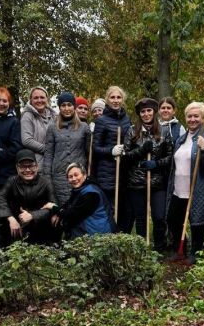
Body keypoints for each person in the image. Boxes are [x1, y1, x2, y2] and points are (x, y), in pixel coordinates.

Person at [166, 102, 204, 263]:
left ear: (203, 118)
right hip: (178, 189)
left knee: (197, 222)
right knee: (173, 219)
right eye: (190, 116)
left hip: (197, 188)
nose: (192, 119)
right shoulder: (181, 139)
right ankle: (179, 249)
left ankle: (195, 253)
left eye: (196, 116)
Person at [122, 97, 172, 250]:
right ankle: (142, 248)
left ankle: (159, 247)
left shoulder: (164, 130)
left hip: (157, 182)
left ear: (154, 112)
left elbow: (170, 157)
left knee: (158, 216)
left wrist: (156, 164)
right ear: (139, 114)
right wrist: (141, 151)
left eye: (149, 110)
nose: (146, 114)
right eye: (143, 112)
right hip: (136, 182)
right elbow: (126, 157)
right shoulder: (132, 131)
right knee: (141, 218)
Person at [0, 149, 59, 245]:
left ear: (36, 166)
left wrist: (33, 215)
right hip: (17, 228)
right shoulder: (12, 181)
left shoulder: (46, 182)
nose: (27, 170)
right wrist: (10, 218)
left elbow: (54, 205)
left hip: (41, 229)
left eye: (30, 166)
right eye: (23, 167)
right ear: (17, 168)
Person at [92, 86, 132, 220]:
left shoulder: (127, 119)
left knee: (124, 212)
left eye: (118, 97)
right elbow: (96, 148)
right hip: (107, 173)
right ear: (107, 100)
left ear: (123, 99)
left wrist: (126, 151)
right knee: (108, 210)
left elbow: (130, 141)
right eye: (112, 97)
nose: (116, 100)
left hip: (124, 172)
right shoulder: (101, 120)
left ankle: (121, 238)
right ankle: (108, 239)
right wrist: (111, 151)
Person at [45, 163, 115, 238]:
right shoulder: (80, 189)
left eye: (76, 175)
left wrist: (54, 208)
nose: (74, 179)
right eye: (70, 177)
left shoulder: (91, 193)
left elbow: (72, 215)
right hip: (91, 230)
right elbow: (68, 204)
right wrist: (58, 213)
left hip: (99, 235)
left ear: (84, 175)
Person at [43, 92, 90, 205]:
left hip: (79, 176)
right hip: (59, 177)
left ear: (74, 106)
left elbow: (89, 152)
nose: (67, 108)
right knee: (62, 210)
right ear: (59, 107)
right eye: (63, 105)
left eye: (69, 105)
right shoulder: (53, 127)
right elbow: (48, 154)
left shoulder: (84, 127)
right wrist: (47, 177)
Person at [21, 86, 56, 170]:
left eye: (42, 97)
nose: (39, 100)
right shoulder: (27, 115)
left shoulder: (54, 116)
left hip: (54, 163)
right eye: (36, 98)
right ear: (31, 100)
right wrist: (48, 150)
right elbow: (27, 140)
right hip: (37, 165)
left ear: (47, 99)